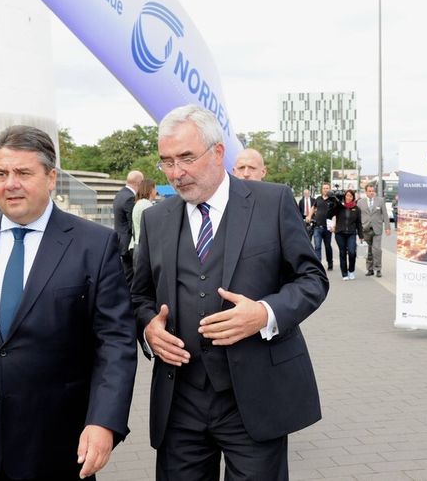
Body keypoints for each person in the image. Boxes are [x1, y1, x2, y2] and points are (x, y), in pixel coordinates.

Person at [0, 126, 137, 480]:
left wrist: (104, 421)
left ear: (51, 178)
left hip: (54, 446)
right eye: (1, 174)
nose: (10, 184)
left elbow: (115, 342)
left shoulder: (93, 245)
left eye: (23, 173)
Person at [132, 105, 328, 481]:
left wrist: (265, 314)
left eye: (187, 158)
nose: (177, 172)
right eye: (167, 162)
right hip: (180, 400)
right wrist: (148, 329)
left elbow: (312, 278)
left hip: (254, 397)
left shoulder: (271, 202)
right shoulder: (156, 219)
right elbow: (139, 295)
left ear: (218, 152)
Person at [113, 169, 144, 285]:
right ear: (139, 183)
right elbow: (132, 224)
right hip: (128, 244)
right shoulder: (130, 198)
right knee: (131, 278)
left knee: (127, 274)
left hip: (120, 241)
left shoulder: (120, 194)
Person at [358, 183, 391, 277]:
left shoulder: (380, 201)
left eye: (373, 191)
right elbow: (358, 217)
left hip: (377, 229)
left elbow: (385, 214)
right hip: (365, 229)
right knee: (368, 250)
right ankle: (370, 269)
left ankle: (378, 269)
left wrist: (387, 227)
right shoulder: (360, 202)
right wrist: (358, 230)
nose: (372, 192)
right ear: (366, 192)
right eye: (369, 191)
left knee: (376, 250)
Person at [334, 189, 363, 280]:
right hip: (340, 233)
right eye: (347, 195)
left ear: (353, 197)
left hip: (351, 233)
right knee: (342, 253)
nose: (348, 197)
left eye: (350, 196)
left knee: (352, 252)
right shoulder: (339, 207)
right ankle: (344, 274)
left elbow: (359, 223)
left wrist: (361, 235)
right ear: (344, 196)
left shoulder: (357, 209)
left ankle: (351, 271)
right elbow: (330, 214)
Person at [313, 182, 337, 270]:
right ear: (322, 189)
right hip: (317, 227)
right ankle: (318, 264)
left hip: (328, 228)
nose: (325, 190)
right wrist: (309, 215)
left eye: (327, 188)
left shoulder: (333, 200)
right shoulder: (318, 199)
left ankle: (330, 263)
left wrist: (334, 225)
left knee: (328, 246)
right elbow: (314, 207)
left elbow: (334, 214)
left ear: (329, 189)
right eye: (324, 188)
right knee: (317, 246)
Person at [130, 178, 157, 252]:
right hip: (143, 245)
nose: (156, 191)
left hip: (138, 243)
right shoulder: (146, 204)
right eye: (155, 188)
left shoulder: (140, 203)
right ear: (150, 189)